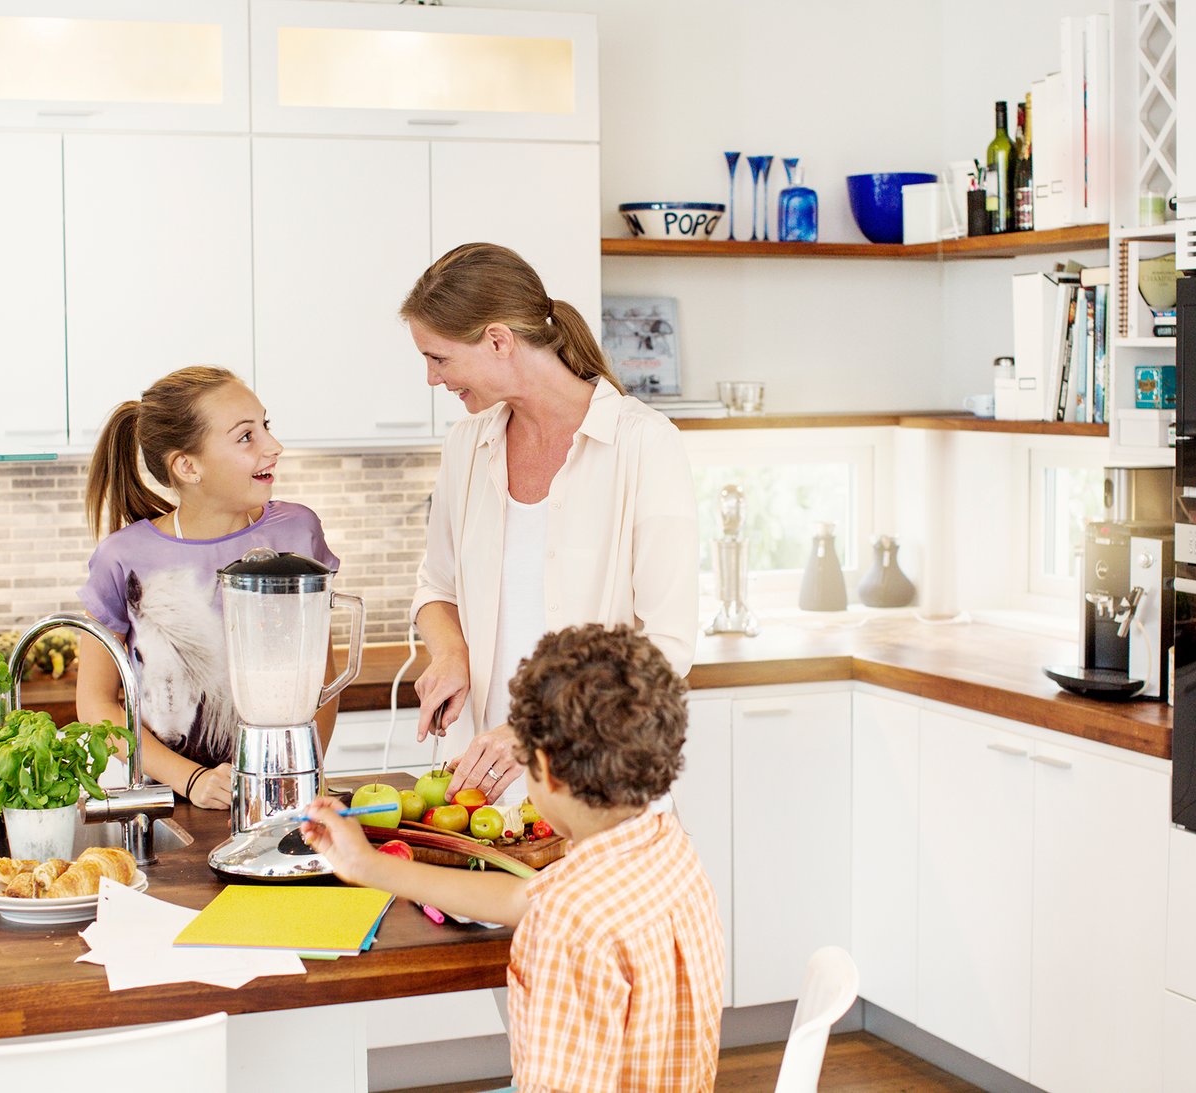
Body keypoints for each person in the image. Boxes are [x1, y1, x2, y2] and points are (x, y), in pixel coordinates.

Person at [303, 624, 723, 1092]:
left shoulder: (569, 924)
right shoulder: (665, 849)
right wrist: (368, 865)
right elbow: (526, 897)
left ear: (543, 769)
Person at [403, 242, 698, 807]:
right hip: (478, 791)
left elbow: (666, 647)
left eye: (438, 358)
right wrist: (450, 654)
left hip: (595, 790)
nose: (431, 378)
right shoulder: (467, 444)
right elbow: (436, 588)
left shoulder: (643, 444)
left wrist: (538, 732)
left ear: (498, 341)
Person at [77, 365, 339, 809]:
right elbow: (96, 702)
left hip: (282, 791)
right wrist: (192, 780)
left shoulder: (298, 532)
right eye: (245, 436)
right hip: (171, 800)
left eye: (265, 427)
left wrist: (298, 773)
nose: (274, 447)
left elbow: (320, 677)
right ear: (187, 466)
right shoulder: (123, 558)